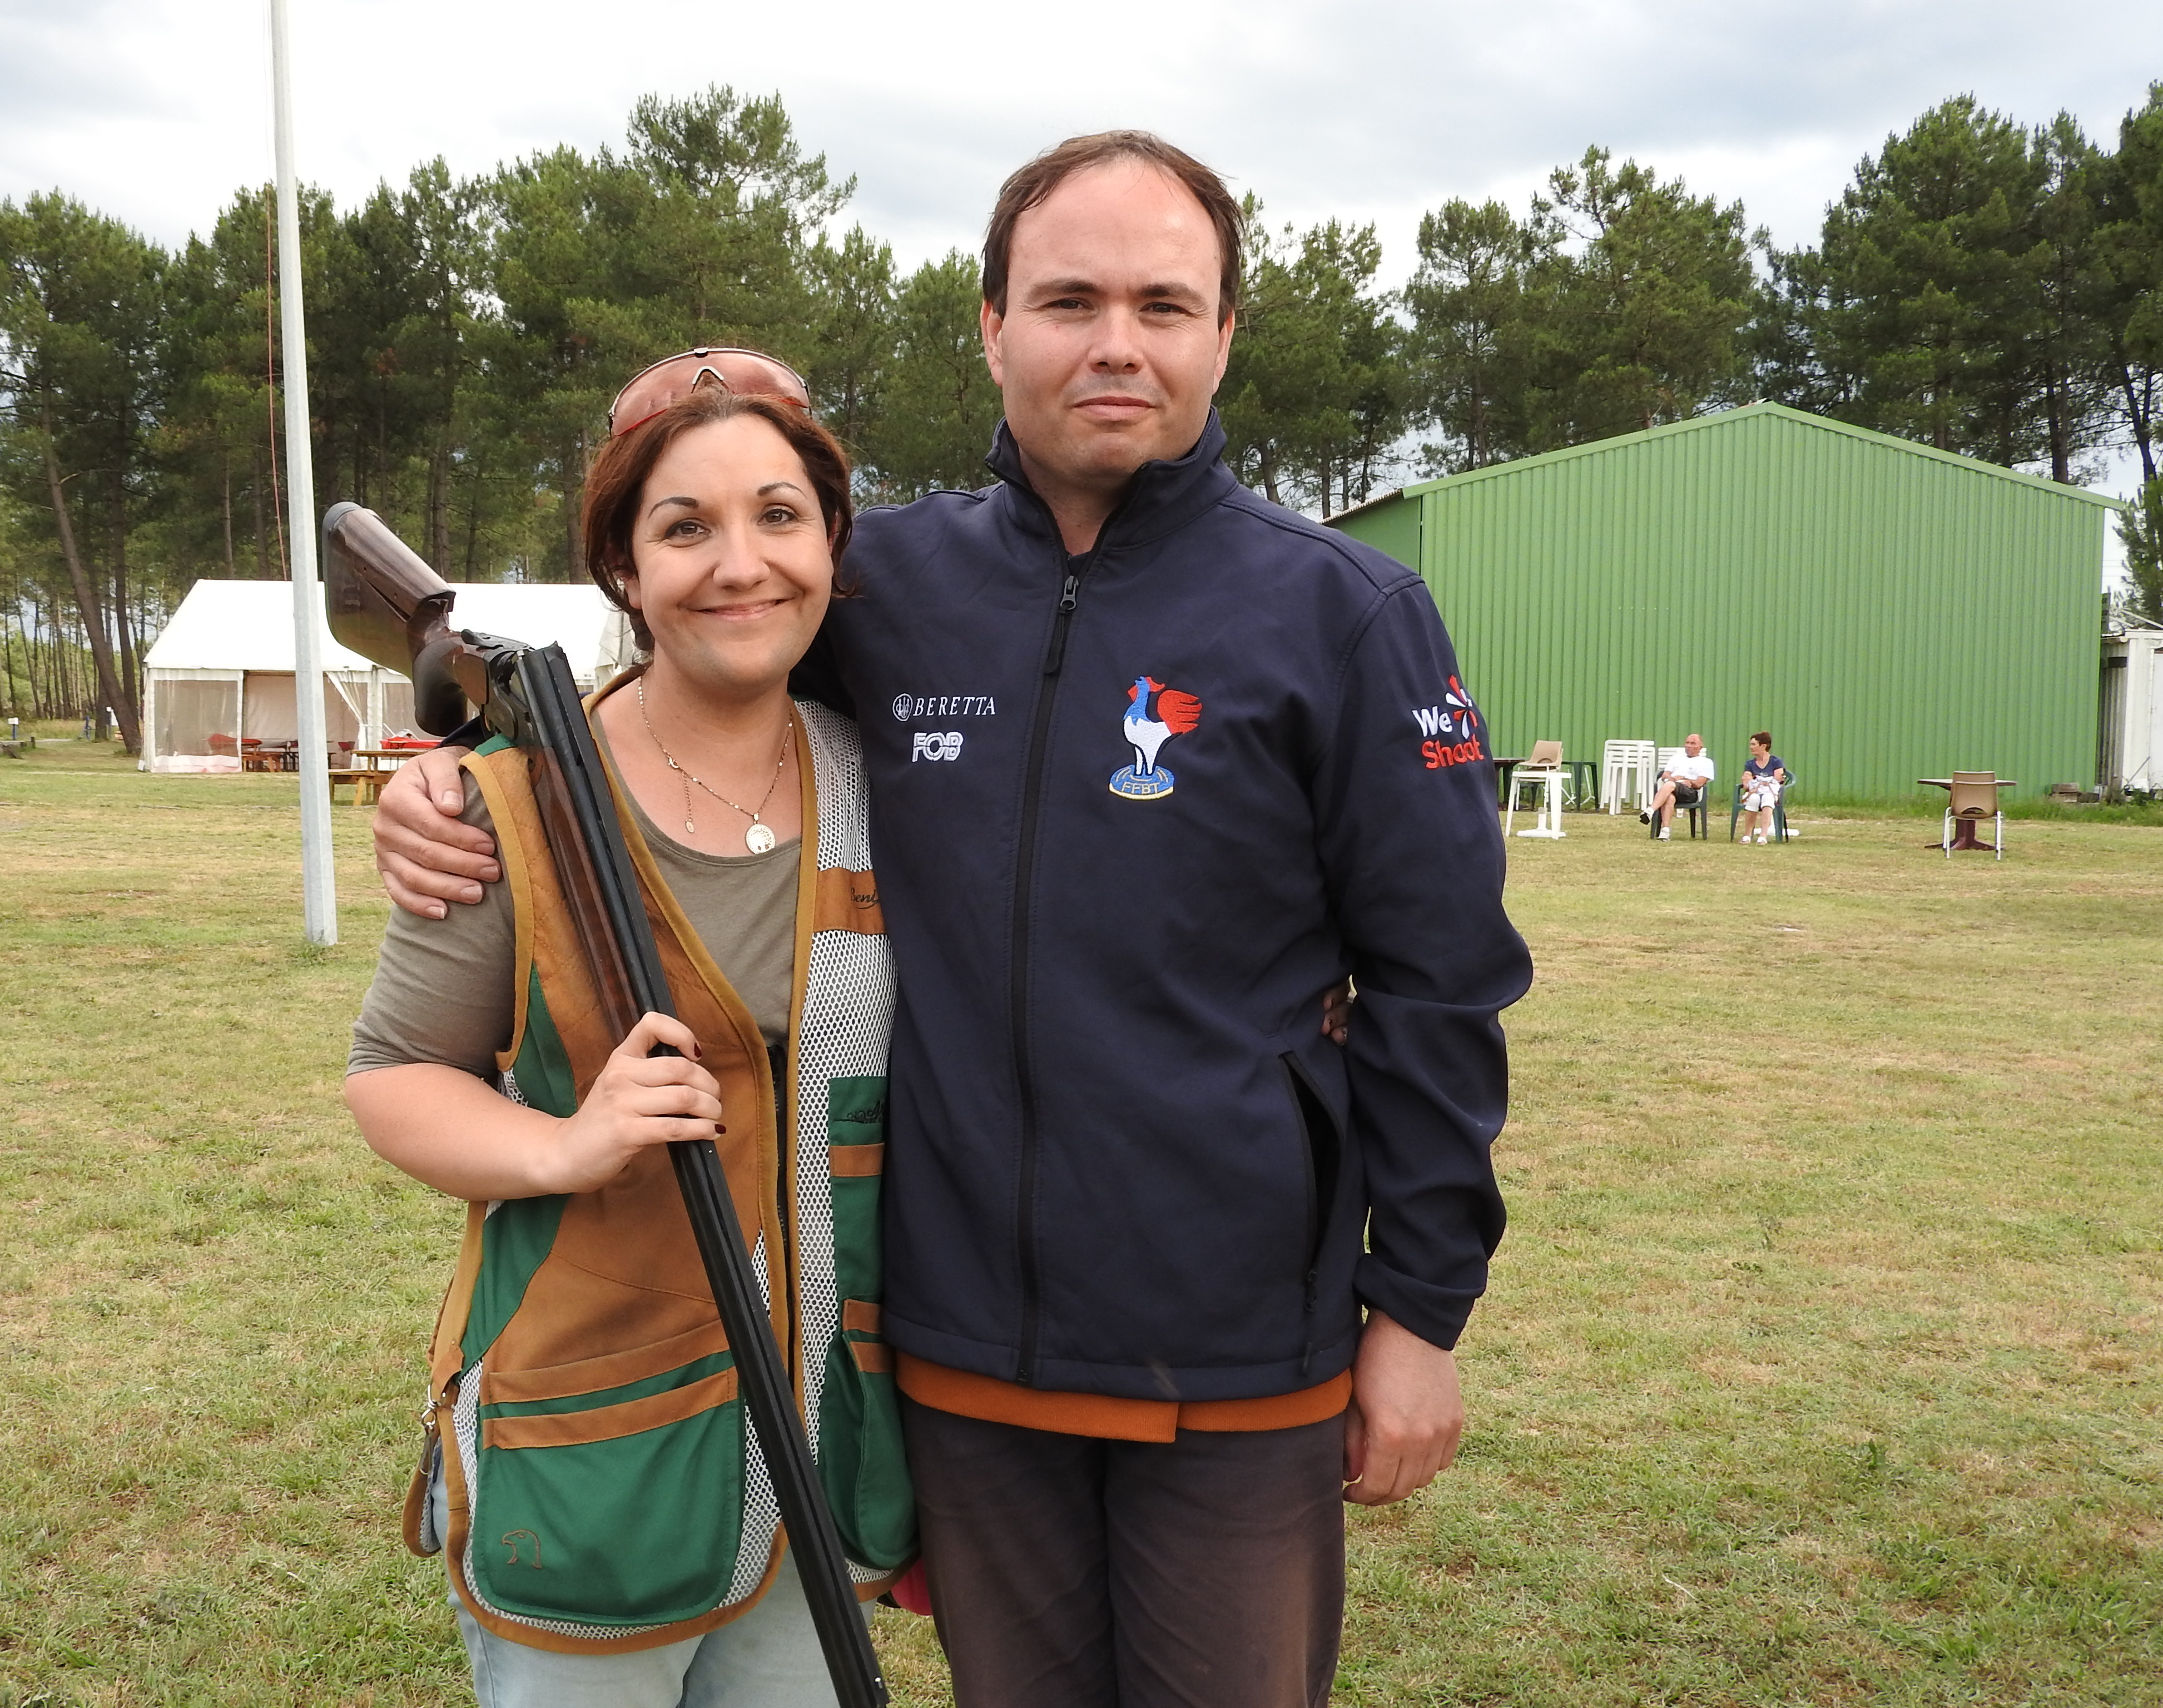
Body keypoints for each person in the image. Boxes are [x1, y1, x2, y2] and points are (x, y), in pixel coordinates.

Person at [375, 132, 1531, 1708]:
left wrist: (1422, 1314)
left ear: (1222, 336)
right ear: (992, 328)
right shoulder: (884, 585)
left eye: (1163, 303)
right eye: (1068, 299)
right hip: (960, 1359)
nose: (1116, 342)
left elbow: (1441, 988)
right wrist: (457, 766)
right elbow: (695, 640)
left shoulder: (1345, 616)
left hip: (1239, 1357)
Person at [345, 377, 915, 1706]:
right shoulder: (508, 798)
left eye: (780, 514)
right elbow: (395, 1074)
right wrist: (565, 1140)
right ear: (623, 565)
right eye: (683, 526)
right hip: (593, 1437)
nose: (740, 562)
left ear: (832, 544)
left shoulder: (886, 784)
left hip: (822, 1442)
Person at [1641, 732, 1715, 837]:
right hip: (1671, 788)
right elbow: (1665, 775)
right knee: (1670, 798)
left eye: (1693, 743)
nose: (1689, 746)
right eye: (1687, 743)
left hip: (1690, 791)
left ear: (1700, 747)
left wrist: (1685, 779)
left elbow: (1700, 783)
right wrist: (1672, 778)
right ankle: (1665, 831)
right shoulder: (1676, 758)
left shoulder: (1706, 762)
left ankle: (1651, 810)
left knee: (1670, 785)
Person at [1735, 731, 1790, 843]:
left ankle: (1763, 836)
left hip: (1770, 793)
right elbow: (1747, 784)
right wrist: (1748, 780)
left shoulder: (1776, 762)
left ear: (1764, 746)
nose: (1751, 747)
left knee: (1768, 798)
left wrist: (1759, 780)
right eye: (1751, 744)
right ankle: (1747, 835)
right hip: (1755, 792)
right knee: (1754, 798)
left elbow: (1779, 780)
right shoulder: (1750, 764)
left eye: (1754, 744)